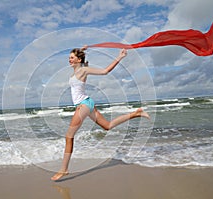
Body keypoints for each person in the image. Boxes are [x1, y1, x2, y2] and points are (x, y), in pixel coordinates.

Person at [51, 46, 150, 181]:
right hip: (87, 104)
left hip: (84, 105)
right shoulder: (76, 72)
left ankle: (64, 169)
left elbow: (105, 71)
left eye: (72, 58)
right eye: (69, 58)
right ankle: (136, 113)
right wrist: (82, 49)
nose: (69, 60)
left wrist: (120, 57)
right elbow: (84, 61)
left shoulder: (83, 70)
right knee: (107, 126)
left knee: (69, 137)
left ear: (78, 59)